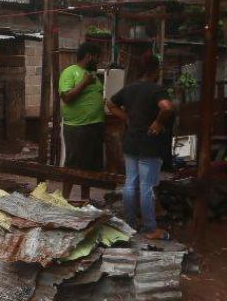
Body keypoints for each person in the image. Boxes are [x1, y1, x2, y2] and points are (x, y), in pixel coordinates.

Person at [108, 52, 175, 239]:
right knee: (146, 187)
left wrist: (127, 118)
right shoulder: (156, 90)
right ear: (156, 70)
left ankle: (129, 223)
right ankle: (150, 228)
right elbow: (167, 107)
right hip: (149, 144)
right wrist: (159, 122)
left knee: (130, 184)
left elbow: (110, 103)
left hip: (131, 142)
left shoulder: (129, 89)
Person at [57, 41, 105, 172]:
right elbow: (66, 97)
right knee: (73, 165)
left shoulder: (92, 74)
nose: (99, 61)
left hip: (95, 125)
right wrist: (85, 82)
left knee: (90, 168)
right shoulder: (70, 72)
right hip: (77, 127)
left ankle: (85, 193)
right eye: (97, 57)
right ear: (89, 56)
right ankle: (65, 193)